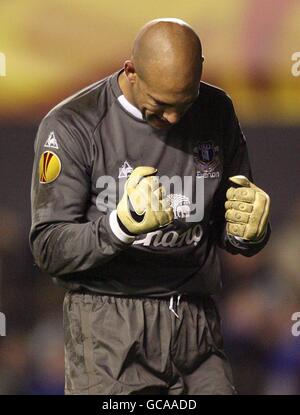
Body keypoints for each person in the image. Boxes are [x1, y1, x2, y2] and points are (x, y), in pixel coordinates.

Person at [29, 18, 271, 395]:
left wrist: (251, 232)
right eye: (160, 105)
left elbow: (232, 222)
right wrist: (121, 225)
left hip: (196, 321)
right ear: (131, 71)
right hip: (111, 324)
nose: (173, 118)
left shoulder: (217, 110)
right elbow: (48, 247)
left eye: (184, 104)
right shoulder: (74, 124)